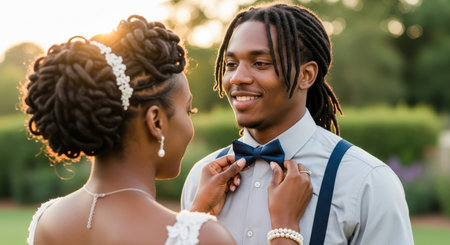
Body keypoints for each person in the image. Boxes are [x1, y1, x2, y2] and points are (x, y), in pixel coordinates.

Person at [23, 15, 313, 245]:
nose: (190, 125)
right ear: (156, 121)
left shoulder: (46, 221)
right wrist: (286, 229)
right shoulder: (205, 238)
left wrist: (195, 213)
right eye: (188, 110)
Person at [181, 3, 414, 245]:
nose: (237, 77)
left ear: (306, 76)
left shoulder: (367, 182)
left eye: (260, 63)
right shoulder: (201, 177)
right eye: (231, 65)